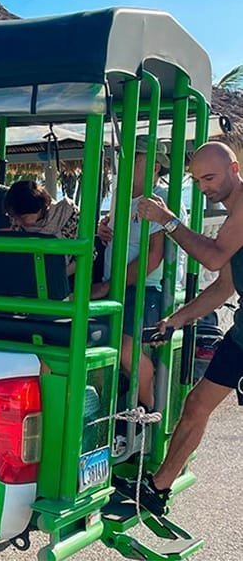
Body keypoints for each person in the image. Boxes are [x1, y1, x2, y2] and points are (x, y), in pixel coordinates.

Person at [127, 141, 243, 516]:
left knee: (198, 405)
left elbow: (210, 255)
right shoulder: (231, 219)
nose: (205, 186)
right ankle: (157, 489)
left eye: (210, 177)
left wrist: (167, 220)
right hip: (241, 332)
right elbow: (224, 285)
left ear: (234, 168)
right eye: (198, 180)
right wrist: (177, 318)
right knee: (195, 405)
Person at [92, 136, 173, 410]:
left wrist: (107, 287)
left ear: (155, 168)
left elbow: (153, 256)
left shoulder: (160, 200)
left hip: (144, 289)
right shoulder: (119, 199)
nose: (124, 163)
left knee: (126, 347)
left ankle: (150, 410)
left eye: (136, 158)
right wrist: (103, 233)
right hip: (115, 287)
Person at [5, 180, 79, 239]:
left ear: (38, 208)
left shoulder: (68, 216)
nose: (17, 223)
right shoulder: (18, 226)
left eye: (23, 217)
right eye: (13, 217)